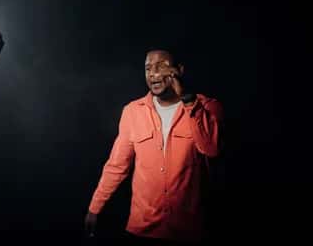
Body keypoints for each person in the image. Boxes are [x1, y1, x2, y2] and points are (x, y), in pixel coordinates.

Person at [84, 49, 224, 244]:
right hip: (142, 230)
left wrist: (188, 101)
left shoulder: (207, 107)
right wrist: (95, 207)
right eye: (148, 68)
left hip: (189, 230)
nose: (153, 73)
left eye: (161, 66)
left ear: (179, 70)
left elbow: (212, 150)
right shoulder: (132, 111)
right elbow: (116, 166)